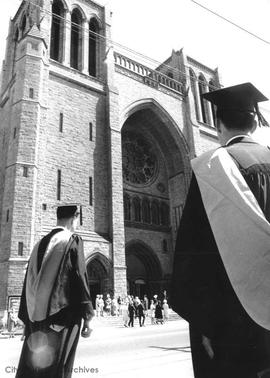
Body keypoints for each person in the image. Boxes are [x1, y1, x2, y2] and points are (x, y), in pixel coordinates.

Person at [171, 82, 270, 378]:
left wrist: (207, 325)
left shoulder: (214, 168)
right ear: (255, 122)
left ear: (218, 124)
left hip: (235, 324)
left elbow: (195, 256)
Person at [16, 204, 94, 378]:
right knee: (58, 365)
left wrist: (26, 320)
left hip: (34, 319)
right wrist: (88, 317)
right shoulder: (72, 240)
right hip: (62, 318)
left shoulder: (38, 244)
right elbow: (79, 278)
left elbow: (27, 283)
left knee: (34, 365)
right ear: (74, 218)